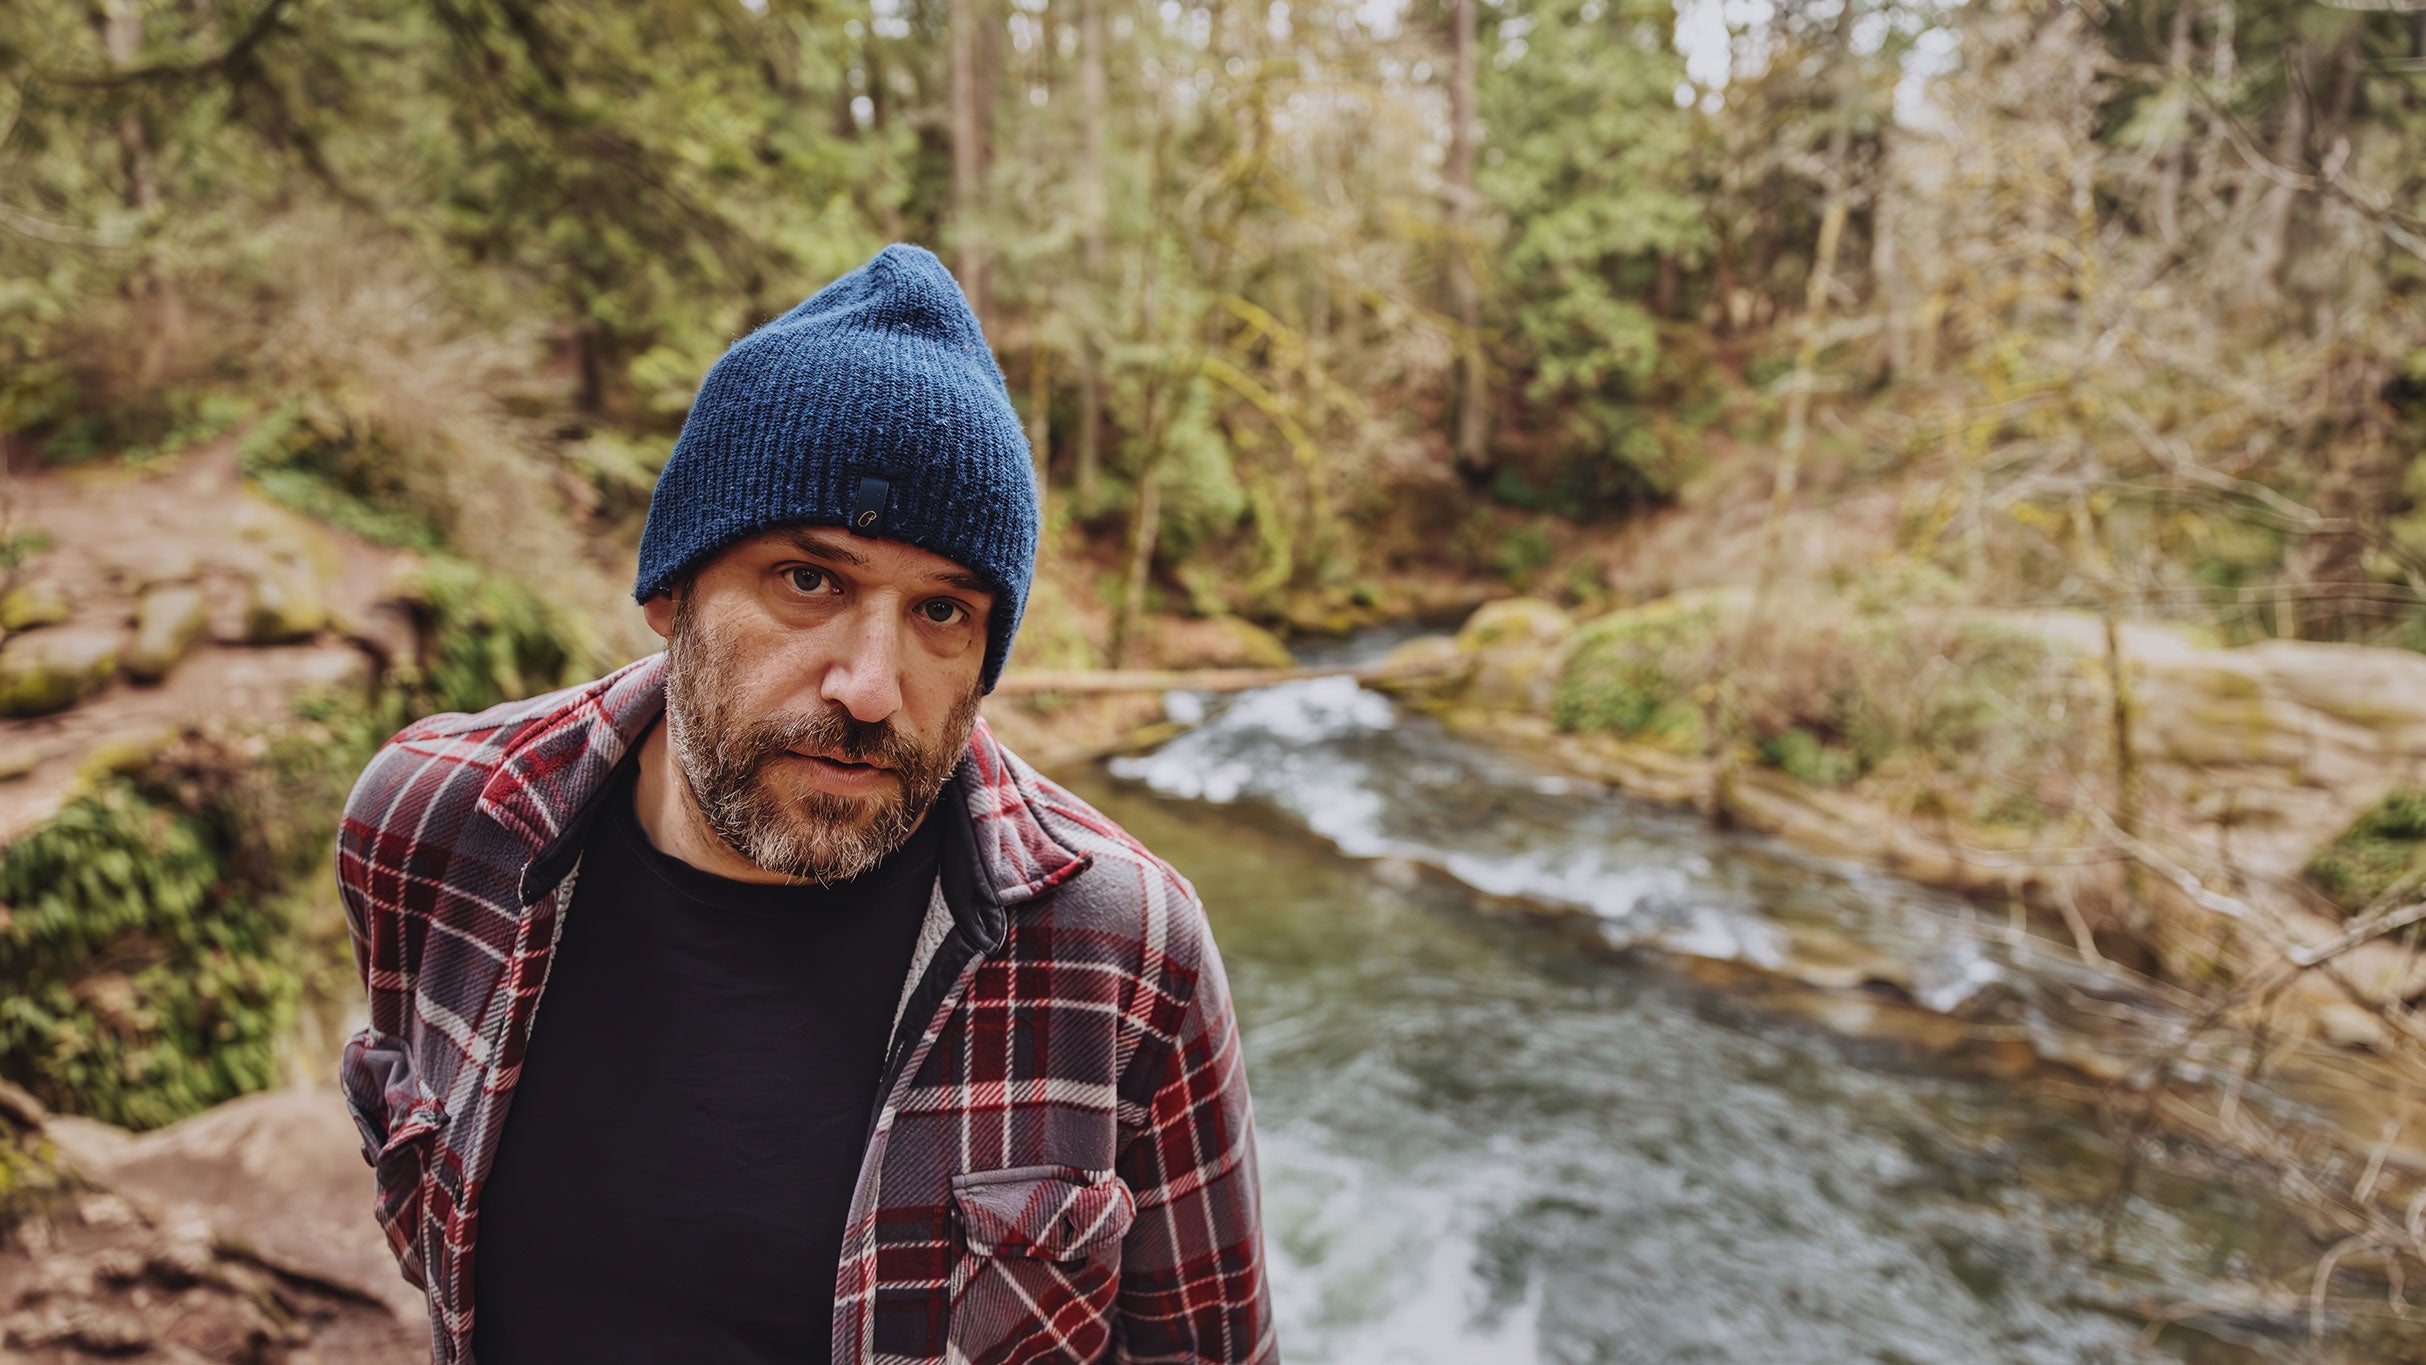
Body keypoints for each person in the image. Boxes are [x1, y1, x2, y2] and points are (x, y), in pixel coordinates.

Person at [333, 243, 1274, 1365]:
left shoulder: (1123, 952)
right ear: (671, 589)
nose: (870, 688)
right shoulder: (433, 828)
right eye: (809, 581)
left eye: (940, 613)